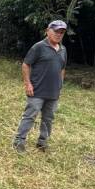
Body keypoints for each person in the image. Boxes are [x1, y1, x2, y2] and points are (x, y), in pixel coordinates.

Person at [13, 20, 68, 152]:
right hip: (37, 90)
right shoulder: (38, 47)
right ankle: (19, 141)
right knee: (30, 115)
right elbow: (26, 64)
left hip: (53, 92)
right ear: (47, 31)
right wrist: (28, 84)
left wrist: (60, 84)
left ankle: (42, 142)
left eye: (62, 32)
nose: (59, 34)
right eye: (56, 31)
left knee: (48, 118)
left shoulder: (63, 50)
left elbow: (62, 68)